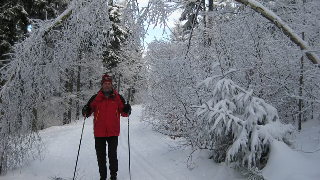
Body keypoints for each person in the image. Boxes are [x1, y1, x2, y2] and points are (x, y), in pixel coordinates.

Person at [82, 74, 131, 180]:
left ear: (111, 84)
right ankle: (103, 176)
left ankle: (113, 175)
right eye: (105, 84)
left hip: (113, 131)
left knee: (112, 155)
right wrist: (85, 110)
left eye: (109, 84)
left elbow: (124, 113)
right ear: (102, 85)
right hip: (99, 132)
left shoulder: (118, 98)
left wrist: (127, 109)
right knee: (101, 156)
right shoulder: (95, 98)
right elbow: (88, 111)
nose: (107, 86)